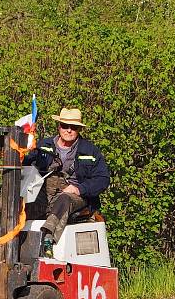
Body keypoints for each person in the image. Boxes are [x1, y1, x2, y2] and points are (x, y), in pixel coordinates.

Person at [24, 107, 110, 257]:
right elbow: (23, 162)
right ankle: (14, 241)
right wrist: (18, 150)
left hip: (76, 197)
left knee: (65, 199)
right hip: (44, 193)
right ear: (59, 127)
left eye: (74, 127)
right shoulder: (42, 146)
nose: (69, 130)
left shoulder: (90, 151)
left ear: (79, 129)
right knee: (22, 200)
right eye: (65, 126)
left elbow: (102, 179)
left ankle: (48, 239)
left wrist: (79, 189)